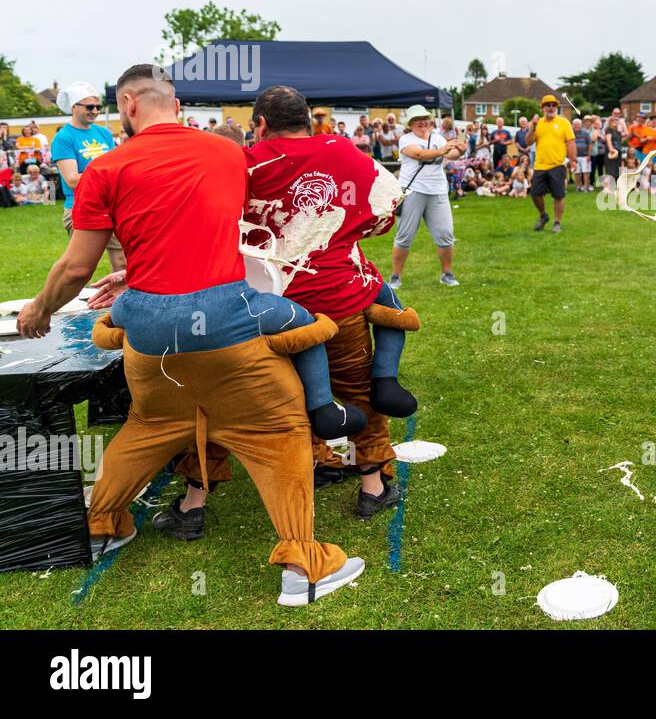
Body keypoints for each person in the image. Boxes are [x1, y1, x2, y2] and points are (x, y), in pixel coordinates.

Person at [16, 64, 364, 606]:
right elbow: (239, 220)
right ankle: (305, 566)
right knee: (278, 434)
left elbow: (75, 269)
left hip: (151, 338)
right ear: (174, 105)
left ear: (128, 105)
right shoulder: (227, 153)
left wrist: (39, 310)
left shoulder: (105, 168)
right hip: (229, 327)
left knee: (145, 429)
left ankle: (103, 523)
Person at [166, 86, 421, 529]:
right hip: (337, 296)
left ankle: (194, 503)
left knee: (225, 400)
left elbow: (202, 222)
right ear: (306, 119)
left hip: (262, 305)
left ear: (260, 124)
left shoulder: (244, 163)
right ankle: (372, 488)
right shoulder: (344, 152)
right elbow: (386, 208)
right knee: (358, 390)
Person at [50, 84, 126, 272]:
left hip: (109, 205)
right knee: (79, 268)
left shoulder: (104, 133)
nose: (95, 111)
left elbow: (115, 165)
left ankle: (121, 301)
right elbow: (72, 180)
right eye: (89, 107)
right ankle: (57, 300)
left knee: (123, 262)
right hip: (80, 207)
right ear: (74, 107)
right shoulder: (63, 138)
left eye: (98, 107)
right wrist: (108, 176)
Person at [391, 105, 464, 287]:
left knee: (446, 235)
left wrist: (461, 148)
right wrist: (444, 150)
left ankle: (447, 274)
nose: (422, 122)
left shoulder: (438, 138)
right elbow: (419, 154)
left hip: (438, 190)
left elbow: (452, 154)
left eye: (425, 118)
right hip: (412, 191)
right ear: (411, 123)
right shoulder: (406, 140)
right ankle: (395, 276)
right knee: (404, 236)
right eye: (418, 119)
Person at [527, 94, 576, 232]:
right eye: (547, 105)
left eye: (553, 105)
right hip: (540, 165)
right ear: (543, 108)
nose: (551, 107)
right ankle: (543, 216)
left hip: (558, 165)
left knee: (558, 195)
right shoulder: (537, 123)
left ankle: (557, 223)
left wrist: (573, 161)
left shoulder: (564, 122)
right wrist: (533, 128)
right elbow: (528, 142)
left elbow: (571, 142)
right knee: (535, 194)